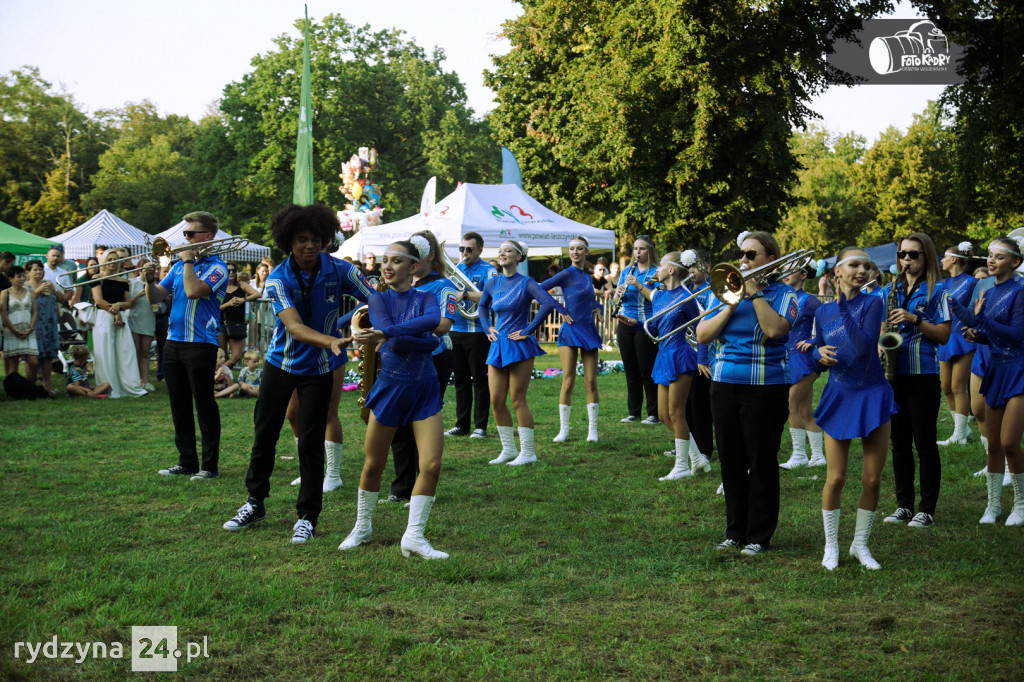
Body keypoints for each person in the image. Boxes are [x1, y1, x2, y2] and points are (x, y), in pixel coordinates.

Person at [222, 204, 354, 543]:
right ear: (288, 242)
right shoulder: (278, 278)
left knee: (311, 443)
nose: (309, 246)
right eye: (301, 240)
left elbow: (378, 299)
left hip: (319, 370)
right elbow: (294, 327)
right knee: (264, 435)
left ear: (326, 239)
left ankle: (307, 517)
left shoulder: (341, 270)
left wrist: (387, 322)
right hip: (280, 366)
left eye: (316, 239)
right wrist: (332, 340)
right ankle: (255, 502)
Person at [338, 238, 448, 558]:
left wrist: (393, 335)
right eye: (385, 260)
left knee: (431, 464)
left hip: (424, 388)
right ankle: (362, 526)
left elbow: (431, 323)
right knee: (374, 463)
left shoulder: (428, 296)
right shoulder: (378, 301)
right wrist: (419, 341)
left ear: (414, 267)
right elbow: (413, 339)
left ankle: (414, 536)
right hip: (390, 387)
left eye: (397, 261)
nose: (387, 266)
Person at [696, 231, 798, 557]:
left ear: (771, 259)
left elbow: (774, 330)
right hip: (724, 383)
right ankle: (735, 531)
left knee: (761, 459)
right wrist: (730, 303)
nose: (743, 260)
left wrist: (753, 294)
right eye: (741, 254)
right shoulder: (724, 290)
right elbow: (703, 334)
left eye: (751, 255)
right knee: (731, 460)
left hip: (766, 387)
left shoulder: (785, 295)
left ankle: (759, 535)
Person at [807, 248, 897, 570]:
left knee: (872, 479)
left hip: (873, 394)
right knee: (836, 478)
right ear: (837, 273)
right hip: (839, 394)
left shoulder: (873, 303)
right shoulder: (821, 312)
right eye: (854, 265)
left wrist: (844, 307)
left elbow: (861, 348)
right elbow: (805, 348)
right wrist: (818, 354)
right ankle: (831, 546)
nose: (862, 270)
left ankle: (860, 545)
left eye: (866, 266)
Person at [145, 211, 229, 480]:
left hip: (201, 344)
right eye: (185, 234)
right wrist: (149, 281)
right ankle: (186, 461)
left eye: (190, 234)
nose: (185, 238)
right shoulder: (180, 266)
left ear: (207, 237)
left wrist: (189, 260)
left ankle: (209, 465)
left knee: (204, 404)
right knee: (178, 405)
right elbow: (157, 296)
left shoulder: (218, 268)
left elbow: (194, 292)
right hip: (173, 343)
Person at [949, 236, 1024, 526]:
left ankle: (1019, 505)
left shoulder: (1020, 292)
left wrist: (982, 323)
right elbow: (990, 332)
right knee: (993, 445)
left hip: (1018, 372)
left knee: (1009, 443)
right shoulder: (989, 292)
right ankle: (992, 506)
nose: (991, 261)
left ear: (1015, 262)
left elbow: (1018, 335)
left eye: (999, 257)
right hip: (995, 369)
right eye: (990, 256)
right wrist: (975, 332)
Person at [881, 232, 951, 529]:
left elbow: (944, 335)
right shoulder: (890, 289)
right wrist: (881, 344)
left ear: (927, 258)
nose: (906, 260)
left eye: (913, 255)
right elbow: (883, 327)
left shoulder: (939, 290)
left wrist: (915, 320)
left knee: (924, 442)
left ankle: (927, 508)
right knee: (898, 443)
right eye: (902, 255)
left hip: (923, 373)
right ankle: (904, 505)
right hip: (894, 373)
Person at [383, 230, 458, 504]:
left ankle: (422, 488)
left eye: (413, 250)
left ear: (428, 255)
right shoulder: (404, 286)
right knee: (399, 425)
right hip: (402, 357)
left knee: (422, 422)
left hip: (434, 356)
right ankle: (402, 488)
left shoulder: (443, 286)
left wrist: (396, 325)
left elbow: (443, 325)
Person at [479, 240, 561, 464]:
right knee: (496, 400)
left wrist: (528, 330)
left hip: (519, 346)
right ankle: (509, 450)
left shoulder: (527, 282)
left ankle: (528, 453)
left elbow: (547, 303)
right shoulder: (492, 283)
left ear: (519, 257)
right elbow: (482, 306)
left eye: (508, 251)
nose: (502, 254)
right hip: (498, 345)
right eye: (500, 250)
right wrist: (487, 327)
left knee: (517, 399)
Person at [638, 251, 712, 479]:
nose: (656, 270)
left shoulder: (687, 297)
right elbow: (658, 328)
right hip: (663, 355)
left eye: (660, 265)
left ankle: (682, 466)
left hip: (681, 355)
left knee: (676, 413)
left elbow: (702, 329)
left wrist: (702, 358)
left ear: (671, 270)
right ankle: (698, 457)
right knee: (663, 415)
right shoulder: (659, 296)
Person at [539, 236, 603, 443]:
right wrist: (559, 308)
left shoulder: (587, 277)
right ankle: (564, 429)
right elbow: (539, 288)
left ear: (586, 252)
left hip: (588, 330)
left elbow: (589, 299)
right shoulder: (566, 273)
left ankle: (592, 430)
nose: (574, 252)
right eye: (571, 249)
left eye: (579, 249)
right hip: (570, 330)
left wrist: (599, 308)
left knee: (591, 381)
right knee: (568, 380)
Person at [446, 231, 499, 438]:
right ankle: (461, 424)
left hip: (477, 331)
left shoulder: (489, 270)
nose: (465, 253)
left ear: (480, 250)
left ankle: (480, 426)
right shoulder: (457, 268)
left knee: (479, 379)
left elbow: (493, 295)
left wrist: (466, 294)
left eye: (469, 249)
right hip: (456, 330)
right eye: (462, 249)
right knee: (460, 380)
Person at [779, 264, 825, 469]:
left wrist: (814, 341)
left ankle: (799, 455)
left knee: (790, 404)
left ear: (803, 275)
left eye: (791, 270)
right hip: (788, 358)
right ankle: (817, 456)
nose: (785, 274)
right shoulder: (783, 297)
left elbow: (833, 323)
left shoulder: (809, 300)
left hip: (805, 359)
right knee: (805, 410)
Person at [614, 235, 661, 424]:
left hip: (645, 324)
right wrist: (617, 295)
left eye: (641, 249)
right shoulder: (626, 271)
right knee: (630, 369)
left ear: (649, 251)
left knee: (646, 369)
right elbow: (617, 301)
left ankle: (654, 413)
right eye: (635, 249)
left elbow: (657, 298)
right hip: (625, 323)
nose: (637, 253)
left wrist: (639, 285)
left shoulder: (656, 272)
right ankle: (634, 412)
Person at [936, 242, 978, 446]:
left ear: (954, 259)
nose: (941, 261)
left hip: (963, 337)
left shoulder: (972, 282)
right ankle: (963, 430)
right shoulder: (942, 283)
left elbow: (974, 312)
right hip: (945, 336)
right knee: (946, 387)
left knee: (958, 386)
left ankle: (959, 434)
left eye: (944, 257)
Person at [90, 251, 147, 399]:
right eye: (109, 259)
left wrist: (120, 305)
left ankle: (128, 384)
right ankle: (108, 385)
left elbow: (128, 302)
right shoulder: (97, 278)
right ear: (103, 260)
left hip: (121, 318)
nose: (112, 262)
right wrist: (115, 312)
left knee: (125, 351)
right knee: (106, 352)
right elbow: (98, 300)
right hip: (104, 317)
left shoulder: (123, 280)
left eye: (115, 260)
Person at [24, 260, 61, 395]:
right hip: (33, 325)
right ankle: (31, 386)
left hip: (49, 325)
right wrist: (38, 290)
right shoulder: (25, 286)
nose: (38, 272)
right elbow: (24, 301)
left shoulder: (48, 284)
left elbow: (63, 300)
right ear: (27, 272)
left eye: (40, 269)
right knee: (32, 357)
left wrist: (54, 289)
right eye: (35, 270)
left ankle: (47, 385)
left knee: (48, 356)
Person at [218, 264, 262, 370]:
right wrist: (229, 304)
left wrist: (243, 300)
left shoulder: (241, 285)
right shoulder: (219, 286)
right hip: (221, 323)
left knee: (237, 356)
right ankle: (222, 380)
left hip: (237, 323)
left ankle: (219, 371)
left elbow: (257, 294)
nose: (232, 272)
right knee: (222, 356)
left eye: (234, 270)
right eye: (228, 271)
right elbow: (215, 308)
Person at [1, 265, 38, 379]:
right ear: (11, 278)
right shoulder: (5, 293)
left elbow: (34, 311)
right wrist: (14, 330)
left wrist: (30, 328)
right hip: (12, 331)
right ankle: (13, 388)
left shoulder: (30, 292)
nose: (22, 279)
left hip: (28, 330)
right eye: (19, 277)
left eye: (23, 276)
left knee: (33, 362)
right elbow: (3, 313)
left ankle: (31, 387)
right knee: (13, 362)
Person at [127, 265, 157, 392]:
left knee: (145, 352)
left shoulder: (155, 284)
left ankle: (145, 380)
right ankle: (134, 380)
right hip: (134, 319)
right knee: (135, 351)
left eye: (152, 270)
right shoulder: (132, 283)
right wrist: (139, 295)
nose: (149, 272)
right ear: (141, 270)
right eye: (146, 270)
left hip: (148, 319)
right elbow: (127, 302)